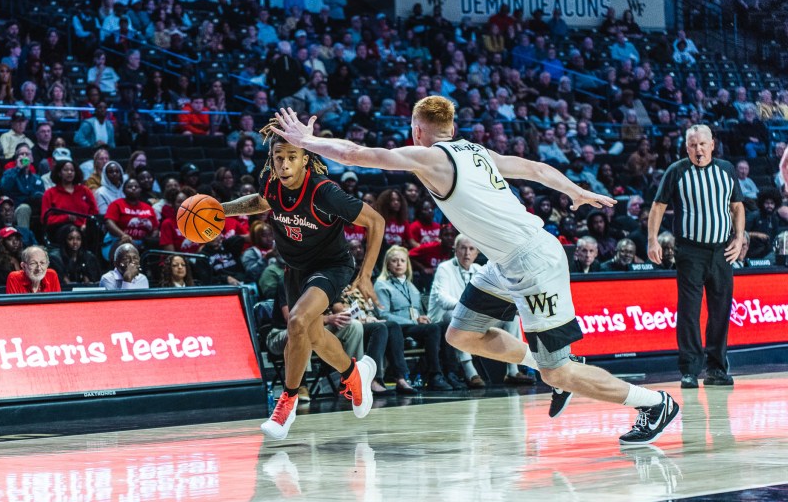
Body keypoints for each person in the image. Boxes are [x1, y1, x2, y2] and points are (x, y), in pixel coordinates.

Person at [273, 99, 681, 445]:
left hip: (534, 263)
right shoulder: (477, 152)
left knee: (562, 369)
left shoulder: (432, 157)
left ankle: (653, 404)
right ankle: (546, 368)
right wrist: (572, 189)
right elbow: (536, 169)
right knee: (460, 334)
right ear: (452, 127)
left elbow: (356, 154)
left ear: (417, 129)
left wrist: (305, 142)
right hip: (506, 262)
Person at [219, 117, 385, 440]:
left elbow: (376, 221)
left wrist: (365, 276)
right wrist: (221, 209)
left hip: (332, 265)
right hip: (295, 269)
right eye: (278, 157)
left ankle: (287, 403)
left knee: (295, 321)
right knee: (314, 337)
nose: (284, 164)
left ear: (305, 159)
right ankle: (355, 373)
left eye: (292, 157)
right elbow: (258, 202)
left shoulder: (324, 192)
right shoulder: (269, 180)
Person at [647, 125, 745, 389]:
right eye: (692, 145)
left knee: (720, 311)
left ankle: (716, 369)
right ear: (686, 147)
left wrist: (739, 237)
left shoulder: (726, 169)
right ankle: (689, 370)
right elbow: (658, 206)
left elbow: (737, 206)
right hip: (690, 251)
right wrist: (652, 240)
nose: (698, 149)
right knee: (689, 312)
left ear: (713, 144)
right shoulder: (677, 171)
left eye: (702, 144)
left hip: (722, 251)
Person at [429, 234, 534, 387]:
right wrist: (465, 308)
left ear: (477, 253)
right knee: (456, 316)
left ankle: (512, 370)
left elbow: (496, 297)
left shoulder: (479, 269)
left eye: (471, 249)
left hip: (473, 317)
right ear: (455, 250)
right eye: (463, 248)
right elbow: (442, 298)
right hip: (443, 318)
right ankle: (470, 372)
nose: (467, 253)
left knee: (511, 318)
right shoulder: (444, 268)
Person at [375, 246, 459, 390]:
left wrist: (422, 317)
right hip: (398, 329)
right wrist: (414, 321)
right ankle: (434, 375)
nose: (399, 264)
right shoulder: (381, 285)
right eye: (394, 261)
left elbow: (417, 311)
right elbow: (384, 315)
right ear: (387, 264)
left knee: (445, 327)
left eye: (402, 260)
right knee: (432, 329)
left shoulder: (411, 285)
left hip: (414, 326)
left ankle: (450, 373)